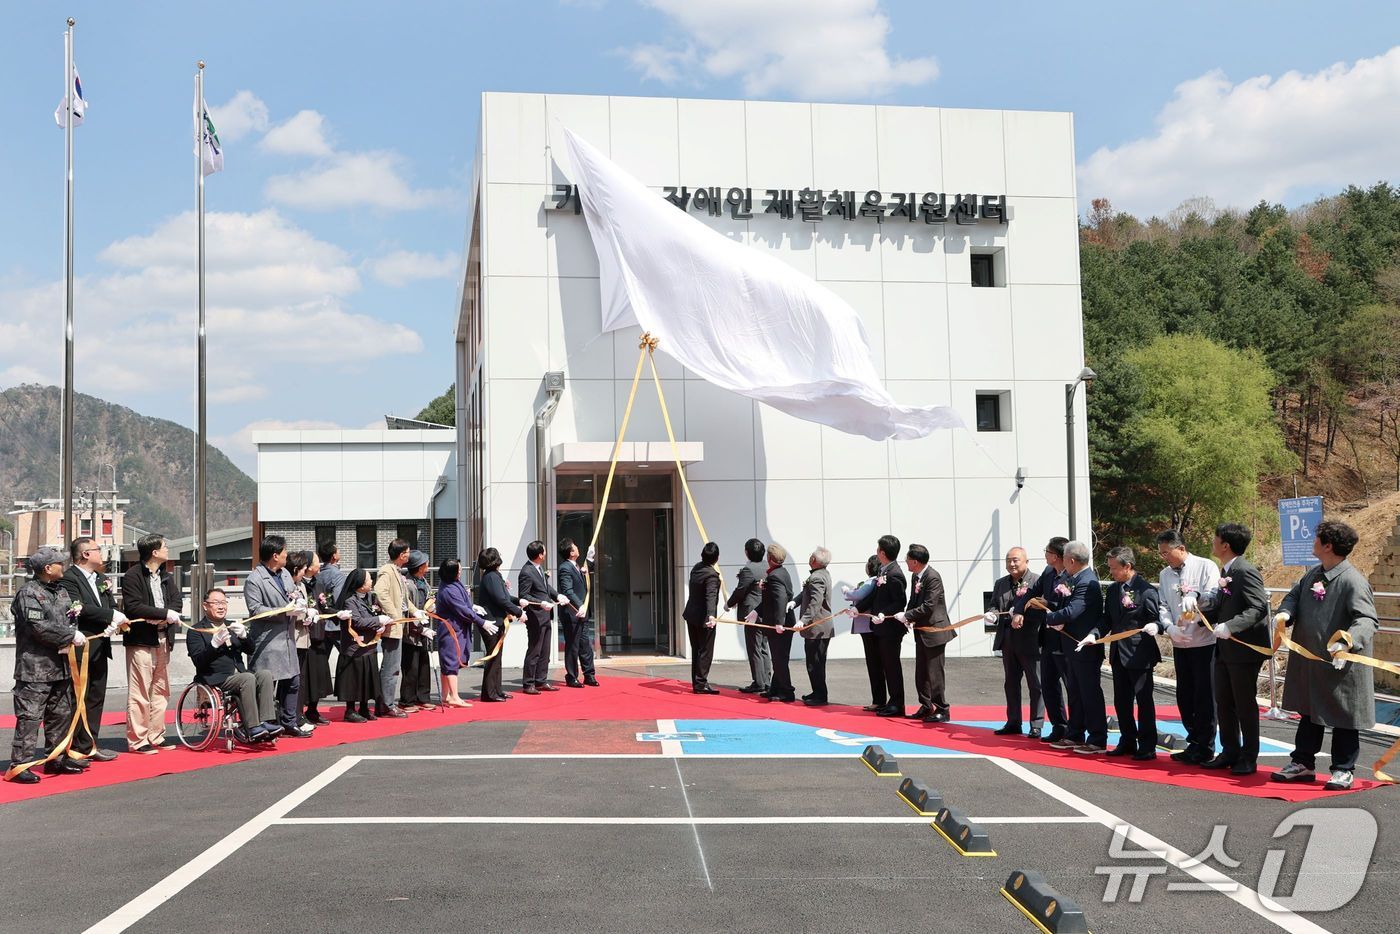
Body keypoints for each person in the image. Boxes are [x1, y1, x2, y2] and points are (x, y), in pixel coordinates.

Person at [1272, 520, 1379, 791]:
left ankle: (1343, 769)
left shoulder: (1353, 581)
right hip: (1311, 663)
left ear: (1328, 545)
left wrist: (1347, 642)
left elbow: (1367, 619)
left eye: (1317, 538)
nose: (1313, 542)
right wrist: (1286, 613)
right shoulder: (1313, 575)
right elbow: (1293, 596)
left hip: (1340, 664)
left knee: (1343, 716)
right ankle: (1302, 763)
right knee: (1309, 713)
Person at [4, 547, 89, 784]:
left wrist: (76, 631)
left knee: (60, 714)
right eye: (59, 563)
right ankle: (20, 765)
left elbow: (71, 618)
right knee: (30, 718)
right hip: (35, 669)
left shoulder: (61, 591)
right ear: (48, 568)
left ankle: (56, 758)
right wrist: (69, 636)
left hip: (60, 665)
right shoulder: (28, 593)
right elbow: (37, 628)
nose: (64, 566)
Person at [1197, 523, 1271, 775]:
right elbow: (1223, 606)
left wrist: (1231, 626)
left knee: (1244, 704)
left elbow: (1258, 607)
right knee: (1224, 701)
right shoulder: (1227, 570)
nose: (1212, 542)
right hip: (1225, 648)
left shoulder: (1245, 571)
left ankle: (1249, 756)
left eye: (1215, 538)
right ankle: (1229, 751)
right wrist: (1196, 613)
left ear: (1225, 545)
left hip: (1244, 648)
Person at [1156, 529, 1222, 765]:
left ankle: (1206, 745)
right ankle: (1193, 740)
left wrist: (1196, 595)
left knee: (1205, 696)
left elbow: (1214, 595)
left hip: (1204, 641)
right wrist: (1167, 626)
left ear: (1181, 548)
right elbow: (1162, 604)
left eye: (1167, 552)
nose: (1164, 557)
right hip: (1180, 641)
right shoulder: (1165, 574)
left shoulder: (1206, 567)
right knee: (1185, 696)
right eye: (1161, 553)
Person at [61, 536, 128, 761]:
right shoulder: (69, 578)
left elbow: (110, 603)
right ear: (85, 554)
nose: (102, 553)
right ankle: (71, 746)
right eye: (98, 549)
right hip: (81, 645)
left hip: (101, 644)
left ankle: (89, 745)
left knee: (96, 696)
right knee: (78, 696)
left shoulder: (100, 577)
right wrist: (110, 616)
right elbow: (79, 607)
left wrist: (114, 619)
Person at [185, 588, 281, 743]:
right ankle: (252, 726)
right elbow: (198, 660)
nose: (221, 606)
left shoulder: (232, 625)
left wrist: (244, 636)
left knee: (265, 675)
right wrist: (214, 644)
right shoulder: (196, 630)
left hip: (240, 673)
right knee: (247, 678)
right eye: (216, 603)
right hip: (216, 677)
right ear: (205, 605)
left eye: (223, 602)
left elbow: (250, 649)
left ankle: (267, 721)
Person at [120, 533, 181, 754]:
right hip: (141, 640)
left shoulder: (166, 576)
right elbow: (134, 607)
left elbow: (176, 601)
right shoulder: (132, 576)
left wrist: (166, 615)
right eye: (165, 546)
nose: (167, 550)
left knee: (161, 689)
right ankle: (138, 739)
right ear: (154, 552)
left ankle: (156, 734)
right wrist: (164, 613)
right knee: (140, 691)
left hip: (163, 637)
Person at [245, 535, 311, 738]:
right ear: (275, 555)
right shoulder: (254, 579)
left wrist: (302, 609)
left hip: (287, 637)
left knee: (293, 681)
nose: (286, 556)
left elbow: (294, 596)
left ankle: (290, 722)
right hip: (267, 641)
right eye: (283, 552)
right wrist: (284, 610)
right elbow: (256, 609)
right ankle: (265, 722)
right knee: (267, 684)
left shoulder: (283, 575)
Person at [1046, 540, 1108, 754]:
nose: (1062, 562)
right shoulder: (1073, 578)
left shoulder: (1086, 581)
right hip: (1071, 644)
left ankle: (1097, 738)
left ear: (1071, 560)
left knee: (1089, 693)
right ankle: (1075, 734)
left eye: (1064, 559)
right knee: (1075, 692)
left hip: (1085, 646)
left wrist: (1049, 618)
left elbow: (1073, 611)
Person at [1102, 547, 1162, 761]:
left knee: (1144, 700)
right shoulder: (1112, 590)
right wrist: (1094, 634)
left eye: (1114, 568)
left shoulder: (1146, 590)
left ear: (1127, 566)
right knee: (1121, 700)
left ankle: (1147, 745)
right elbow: (1108, 619)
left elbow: (1158, 619)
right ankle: (1127, 740)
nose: (1112, 573)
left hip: (1139, 652)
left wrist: (1155, 626)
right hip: (1118, 651)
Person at [894, 544, 955, 723]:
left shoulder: (933, 577)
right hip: (921, 631)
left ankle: (942, 709)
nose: (905, 561)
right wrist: (907, 616)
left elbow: (929, 606)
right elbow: (914, 600)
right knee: (921, 671)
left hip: (935, 631)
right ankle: (926, 705)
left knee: (934, 672)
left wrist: (907, 615)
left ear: (915, 561)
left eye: (907, 558)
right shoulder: (915, 576)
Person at [989, 547, 1041, 736]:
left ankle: (1036, 724)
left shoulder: (1036, 581)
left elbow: (1041, 608)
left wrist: (1023, 613)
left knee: (1036, 684)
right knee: (1010, 683)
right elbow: (994, 604)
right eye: (1008, 560)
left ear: (1026, 561)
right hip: (1008, 639)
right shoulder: (1001, 583)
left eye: (1016, 560)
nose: (1011, 564)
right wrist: (992, 614)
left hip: (1030, 639)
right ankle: (1013, 721)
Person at [859, 535, 908, 717]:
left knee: (892, 666)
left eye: (878, 549)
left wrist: (883, 613)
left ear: (883, 552)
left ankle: (897, 703)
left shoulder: (895, 574)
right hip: (881, 628)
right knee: (885, 665)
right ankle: (889, 701)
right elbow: (874, 596)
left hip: (891, 629)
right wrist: (858, 608)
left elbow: (900, 601)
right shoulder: (883, 571)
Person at [1032, 537, 1071, 744]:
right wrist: (1019, 609)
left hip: (1066, 638)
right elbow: (1032, 592)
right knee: (1048, 684)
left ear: (1056, 556)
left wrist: (1047, 603)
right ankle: (1059, 725)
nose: (1045, 554)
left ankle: (1075, 728)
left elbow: (1068, 604)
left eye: (1046, 551)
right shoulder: (1048, 572)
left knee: (1071, 684)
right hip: (1048, 637)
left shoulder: (1071, 576)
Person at [518, 540, 569, 694]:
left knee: (545, 650)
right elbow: (524, 595)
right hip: (536, 616)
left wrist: (557, 595)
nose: (546, 553)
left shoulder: (538, 568)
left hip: (545, 615)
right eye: (544, 551)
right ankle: (528, 683)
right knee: (535, 650)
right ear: (540, 555)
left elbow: (545, 589)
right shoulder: (526, 572)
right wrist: (540, 603)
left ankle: (541, 680)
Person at [335, 568, 385, 722]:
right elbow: (357, 621)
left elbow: (374, 614)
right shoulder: (350, 601)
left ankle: (364, 707)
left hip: (369, 646)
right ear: (361, 584)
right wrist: (378, 621)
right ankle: (350, 710)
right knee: (353, 681)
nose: (371, 581)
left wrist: (380, 624)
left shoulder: (370, 597)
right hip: (354, 648)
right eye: (369, 579)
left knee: (367, 680)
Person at [372, 539, 414, 718]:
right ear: (402, 554)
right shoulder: (387, 570)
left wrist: (415, 611)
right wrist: (394, 615)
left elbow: (403, 599)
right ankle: (386, 704)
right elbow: (380, 593)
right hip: (393, 626)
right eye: (408, 551)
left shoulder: (396, 571)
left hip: (398, 624)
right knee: (391, 666)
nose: (409, 554)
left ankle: (386, 702)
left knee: (393, 665)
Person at [475, 547, 522, 703]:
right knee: (493, 657)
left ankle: (496, 689)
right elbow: (501, 599)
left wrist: (518, 601)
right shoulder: (491, 577)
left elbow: (505, 596)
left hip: (497, 620)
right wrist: (519, 612)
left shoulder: (493, 576)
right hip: (491, 622)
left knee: (497, 657)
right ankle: (489, 693)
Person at [289, 550, 330, 728]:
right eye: (316, 562)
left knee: (316, 676)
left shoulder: (316, 584)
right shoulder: (296, 586)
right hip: (302, 636)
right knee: (301, 679)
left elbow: (324, 607)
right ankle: (297, 714)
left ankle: (311, 709)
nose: (319, 564)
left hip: (316, 634)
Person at [726, 538, 772, 695]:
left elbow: (740, 591)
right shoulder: (767, 566)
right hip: (766, 611)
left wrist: (728, 604)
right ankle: (766, 680)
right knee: (764, 647)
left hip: (752, 613)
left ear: (747, 552)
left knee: (754, 649)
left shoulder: (748, 569)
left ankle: (758, 682)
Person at [305, 540, 343, 725]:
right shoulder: (336, 574)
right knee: (326, 667)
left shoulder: (319, 578)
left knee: (318, 669)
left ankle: (310, 709)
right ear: (334, 555)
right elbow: (338, 598)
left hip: (320, 627)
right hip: (332, 626)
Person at [433, 558, 480, 707]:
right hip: (450, 630)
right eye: (458, 570)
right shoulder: (448, 589)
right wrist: (481, 621)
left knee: (448, 663)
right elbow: (462, 609)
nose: (460, 572)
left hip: (456, 628)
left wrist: (474, 607)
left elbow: (465, 604)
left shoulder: (452, 583)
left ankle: (446, 695)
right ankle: (454, 696)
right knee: (451, 662)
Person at [841, 555, 884, 711]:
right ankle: (878, 699)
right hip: (865, 627)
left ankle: (878, 700)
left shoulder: (872, 581)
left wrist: (846, 591)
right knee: (873, 664)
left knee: (874, 664)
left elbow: (858, 595)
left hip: (868, 627)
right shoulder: (872, 581)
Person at [759, 543, 798, 702]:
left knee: (779, 660)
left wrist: (779, 622)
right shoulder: (782, 572)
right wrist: (757, 611)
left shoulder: (775, 576)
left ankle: (787, 692)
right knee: (779, 658)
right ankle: (775, 688)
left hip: (780, 625)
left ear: (769, 558)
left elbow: (781, 599)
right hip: (782, 623)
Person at [682, 542, 722, 694]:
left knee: (696, 649)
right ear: (717, 558)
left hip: (691, 615)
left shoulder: (696, 568)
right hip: (704, 618)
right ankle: (701, 683)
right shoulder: (711, 575)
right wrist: (711, 615)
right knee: (705, 651)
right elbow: (710, 596)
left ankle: (697, 681)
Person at [556, 538, 598, 687]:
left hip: (582, 612)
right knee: (573, 645)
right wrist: (580, 605)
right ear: (571, 552)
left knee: (585, 644)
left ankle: (589, 675)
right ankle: (572, 676)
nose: (577, 548)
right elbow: (568, 590)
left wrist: (590, 559)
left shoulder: (574, 566)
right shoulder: (565, 568)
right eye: (575, 547)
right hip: (572, 612)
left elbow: (585, 576)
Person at [400, 550, 436, 711]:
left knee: (423, 664)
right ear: (419, 566)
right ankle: (407, 700)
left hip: (424, 625)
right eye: (425, 563)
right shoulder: (407, 584)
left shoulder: (423, 581)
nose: (427, 565)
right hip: (411, 630)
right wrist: (419, 628)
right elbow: (407, 608)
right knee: (411, 666)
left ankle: (423, 697)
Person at [798, 547, 833, 707]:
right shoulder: (822, 574)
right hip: (820, 627)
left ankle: (820, 695)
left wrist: (803, 620)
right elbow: (807, 594)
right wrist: (795, 602)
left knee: (815, 663)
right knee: (816, 662)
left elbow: (815, 602)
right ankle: (817, 691)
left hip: (817, 627)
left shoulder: (817, 577)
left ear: (814, 560)